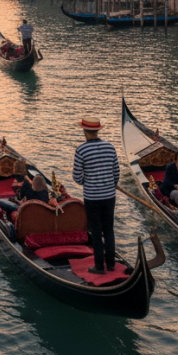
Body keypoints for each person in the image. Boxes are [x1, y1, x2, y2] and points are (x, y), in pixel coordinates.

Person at [72, 117, 120, 274]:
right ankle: (111, 264)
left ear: (85, 131)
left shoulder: (81, 150)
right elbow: (116, 173)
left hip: (92, 197)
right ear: (98, 130)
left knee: (96, 232)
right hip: (109, 195)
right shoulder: (110, 147)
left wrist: (89, 181)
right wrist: (108, 185)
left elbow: (77, 177)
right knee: (109, 230)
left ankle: (99, 267)